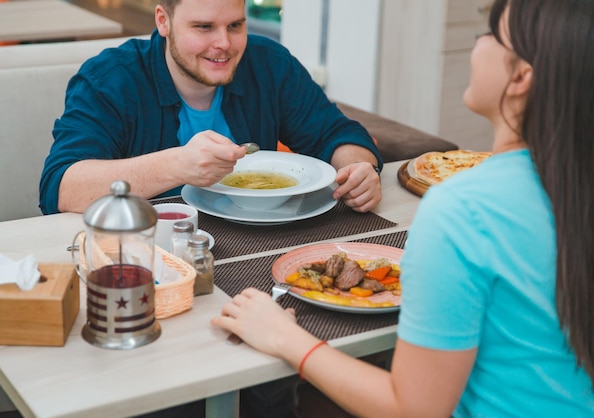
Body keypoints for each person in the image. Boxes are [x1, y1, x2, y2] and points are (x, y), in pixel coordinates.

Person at [211, 0, 594, 416]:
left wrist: (286, 338)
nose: (477, 43)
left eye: (489, 34)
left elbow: (413, 409)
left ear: (521, 77)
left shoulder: (464, 209)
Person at [38, 0, 382, 216]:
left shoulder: (269, 63)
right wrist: (176, 165)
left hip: (261, 248)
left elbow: (338, 134)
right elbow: (60, 187)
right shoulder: (108, 79)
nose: (224, 44)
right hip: (147, 254)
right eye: (203, 27)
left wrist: (358, 170)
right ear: (163, 21)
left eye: (235, 25)